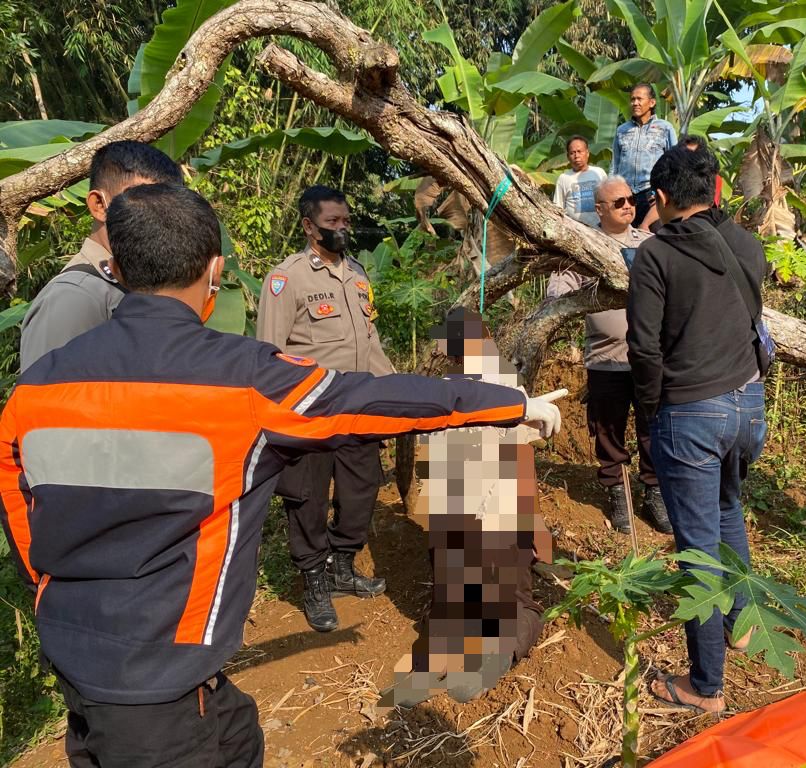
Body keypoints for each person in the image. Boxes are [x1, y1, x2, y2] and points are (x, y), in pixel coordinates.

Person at [0, 182, 562, 768]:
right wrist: (510, 403)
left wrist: (51, 598)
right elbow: (375, 398)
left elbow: (20, 513)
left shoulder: (36, 386)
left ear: (116, 265)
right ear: (214, 271)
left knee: (240, 736)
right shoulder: (239, 380)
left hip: (81, 657)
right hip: (159, 683)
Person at [626, 138, 769, 714]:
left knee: (697, 551)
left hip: (691, 413)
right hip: (748, 406)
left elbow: (644, 351)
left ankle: (705, 686)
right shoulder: (746, 245)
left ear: (660, 197)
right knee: (730, 510)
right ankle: (742, 624)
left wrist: (648, 418)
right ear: (713, 189)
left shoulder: (655, 258)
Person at [382, 309, 557, 707]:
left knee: (451, 599)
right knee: (519, 604)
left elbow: (429, 469)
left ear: (449, 351)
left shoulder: (441, 393)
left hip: (449, 524)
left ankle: (436, 653)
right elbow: (522, 473)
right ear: (488, 340)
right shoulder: (511, 391)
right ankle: (495, 653)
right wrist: (536, 540)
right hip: (496, 522)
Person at [257, 185, 394, 633]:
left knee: (361, 490)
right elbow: (270, 354)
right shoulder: (287, 279)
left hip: (356, 407)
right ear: (308, 226)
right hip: (310, 413)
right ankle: (314, 581)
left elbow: (369, 341)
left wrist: (397, 391)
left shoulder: (356, 275)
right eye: (332, 223)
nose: (342, 229)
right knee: (308, 500)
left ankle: (342, 566)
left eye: (346, 221)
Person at [547, 176, 671, 535]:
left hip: (648, 357)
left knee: (652, 428)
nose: (628, 206)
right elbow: (557, 291)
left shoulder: (649, 244)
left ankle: (654, 493)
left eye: (631, 200)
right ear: (599, 209)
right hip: (605, 358)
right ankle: (619, 493)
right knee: (608, 430)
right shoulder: (585, 246)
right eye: (618, 202)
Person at [19, 140, 183, 370]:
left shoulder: (135, 287)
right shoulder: (74, 298)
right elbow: (43, 400)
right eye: (139, 202)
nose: (154, 217)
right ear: (99, 205)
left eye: (167, 206)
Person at [610, 84, 677, 230]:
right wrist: (613, 192)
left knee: (654, 239)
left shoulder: (665, 128)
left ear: (652, 102)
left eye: (639, 99)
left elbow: (674, 165)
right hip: (626, 197)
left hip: (652, 196)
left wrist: (665, 192)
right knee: (624, 242)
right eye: (632, 99)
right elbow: (614, 164)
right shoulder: (622, 130)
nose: (635, 103)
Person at [552, 135, 607, 228]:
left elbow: (609, 199)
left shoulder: (599, 173)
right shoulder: (563, 178)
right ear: (568, 156)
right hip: (575, 232)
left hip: (601, 229)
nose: (576, 156)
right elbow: (557, 208)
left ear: (587, 153)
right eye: (572, 153)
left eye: (579, 151)